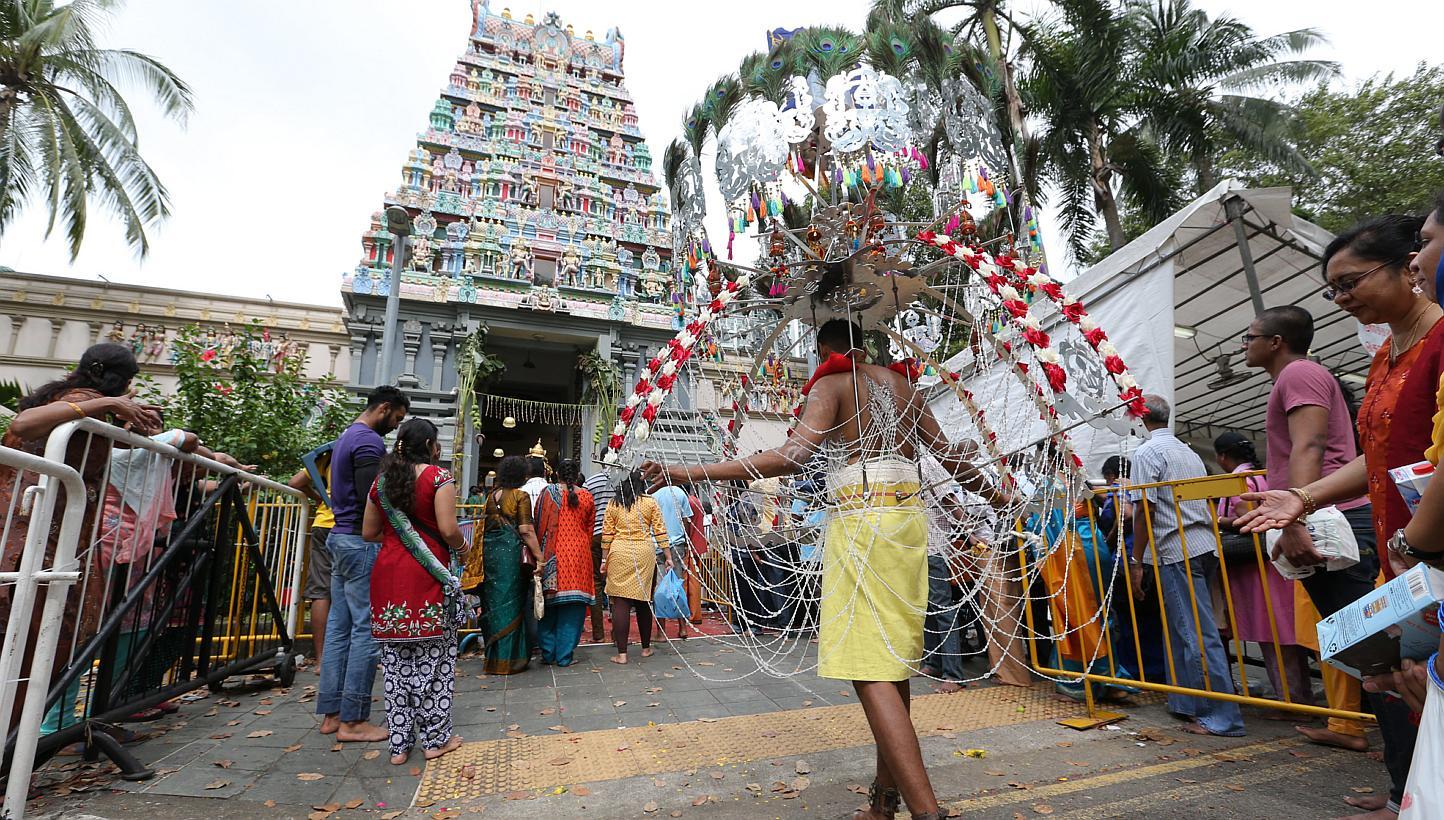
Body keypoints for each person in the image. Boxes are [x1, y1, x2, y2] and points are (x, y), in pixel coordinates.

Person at [642, 319, 996, 820]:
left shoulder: (832, 384)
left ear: (824, 348)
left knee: (869, 672)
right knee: (891, 669)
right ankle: (883, 802)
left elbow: (793, 455)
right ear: (867, 342)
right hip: (908, 526)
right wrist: (1000, 495)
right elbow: (952, 464)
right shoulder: (904, 387)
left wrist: (687, 470)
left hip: (863, 526)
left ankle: (927, 813)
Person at [1240, 216, 1438, 819]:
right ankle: (1407, 792)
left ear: (1409, 266)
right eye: (1333, 289)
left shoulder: (1439, 345)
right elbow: (1374, 459)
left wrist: (1415, 539)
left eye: (1352, 281)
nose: (1342, 297)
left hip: (1427, 552)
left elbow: (1311, 447)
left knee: (1414, 683)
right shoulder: (1385, 356)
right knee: (1400, 680)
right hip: (1403, 551)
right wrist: (1302, 499)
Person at [0, 343, 161, 737]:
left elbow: (113, 444)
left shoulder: (93, 403)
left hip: (46, 533)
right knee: (33, 640)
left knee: (35, 640)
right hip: (36, 534)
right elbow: (24, 425)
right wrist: (107, 405)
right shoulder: (82, 399)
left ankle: (14, 750)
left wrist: (133, 422)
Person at [1242, 304, 1378, 752]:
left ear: (1275, 342)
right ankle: (1376, 755)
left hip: (1332, 518)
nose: (1245, 344)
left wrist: (1296, 518)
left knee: (1371, 651)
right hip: (1328, 515)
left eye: (1250, 336)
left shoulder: (1297, 374)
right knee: (1357, 643)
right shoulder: (1297, 377)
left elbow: (1311, 443)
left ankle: (1403, 790)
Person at [1127, 395, 1245, 738]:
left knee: (1195, 632)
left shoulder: (1146, 453)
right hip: (1203, 545)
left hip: (1177, 548)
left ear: (1139, 418)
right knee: (1183, 628)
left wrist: (1136, 559)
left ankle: (1222, 715)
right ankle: (1188, 702)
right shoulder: (1188, 452)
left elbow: (1145, 511)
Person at [361, 418, 466, 765]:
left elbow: (368, 533)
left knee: (394, 667)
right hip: (428, 575)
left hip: (388, 577)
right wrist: (463, 548)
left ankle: (398, 746)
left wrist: (398, 543)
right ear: (432, 446)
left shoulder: (380, 484)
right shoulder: (439, 479)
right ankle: (435, 741)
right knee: (435, 665)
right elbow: (449, 529)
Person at [317, 385, 409, 743]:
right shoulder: (368, 442)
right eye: (396, 418)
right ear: (384, 408)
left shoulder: (346, 436)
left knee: (340, 628)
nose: (394, 426)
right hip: (361, 541)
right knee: (366, 630)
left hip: (339, 537)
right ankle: (353, 720)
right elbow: (376, 497)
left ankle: (332, 713)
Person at [1211, 432, 1311, 708]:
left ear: (1222, 456)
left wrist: (1218, 520)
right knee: (1287, 637)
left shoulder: (1239, 481)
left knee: (1273, 637)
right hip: (1274, 563)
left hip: (1256, 569)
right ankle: (1301, 700)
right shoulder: (1264, 475)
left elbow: (1246, 516)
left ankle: (1289, 704)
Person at [466, 455, 542, 675]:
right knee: (511, 604)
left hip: (491, 557)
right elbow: (526, 530)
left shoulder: (491, 496)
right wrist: (540, 556)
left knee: (494, 603)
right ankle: (512, 660)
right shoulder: (521, 496)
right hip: (510, 558)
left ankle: (494, 660)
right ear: (522, 475)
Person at [600, 470, 670, 664]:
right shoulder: (649, 502)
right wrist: (668, 556)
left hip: (619, 552)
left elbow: (607, 534)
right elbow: (660, 530)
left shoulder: (614, 503)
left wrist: (604, 560)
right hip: (644, 553)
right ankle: (646, 648)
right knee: (644, 600)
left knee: (620, 603)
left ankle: (622, 654)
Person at [534, 460, 596, 666]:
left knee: (548, 609)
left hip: (552, 556)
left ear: (557, 474)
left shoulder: (548, 492)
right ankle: (564, 656)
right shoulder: (587, 496)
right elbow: (589, 529)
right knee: (573, 611)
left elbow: (538, 523)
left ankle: (549, 653)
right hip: (579, 556)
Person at [290, 457, 335, 669]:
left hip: (324, 524)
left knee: (321, 591)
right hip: (354, 526)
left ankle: (322, 659)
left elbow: (295, 482)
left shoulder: (328, 456)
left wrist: (319, 498)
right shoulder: (367, 451)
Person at [652, 480, 698, 639]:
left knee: (659, 588)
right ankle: (682, 628)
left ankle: (660, 631)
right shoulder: (680, 493)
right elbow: (686, 520)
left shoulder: (653, 495)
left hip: (657, 544)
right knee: (678, 586)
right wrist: (686, 542)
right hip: (677, 543)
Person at [581, 468, 615, 642]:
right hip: (616, 536)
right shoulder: (621, 481)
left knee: (595, 583)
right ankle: (617, 633)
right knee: (616, 582)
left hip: (594, 534)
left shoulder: (592, 482)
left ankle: (598, 633)